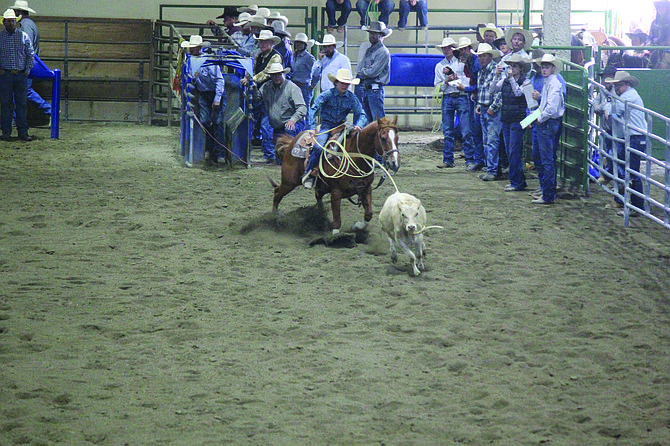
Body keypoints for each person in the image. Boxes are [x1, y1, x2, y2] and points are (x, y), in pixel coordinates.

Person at [303, 68, 367, 189]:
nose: (344, 86)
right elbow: (313, 108)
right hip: (327, 125)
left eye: (347, 83)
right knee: (318, 146)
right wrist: (311, 127)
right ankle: (309, 173)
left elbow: (362, 113)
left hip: (342, 126)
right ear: (336, 82)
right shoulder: (327, 95)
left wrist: (359, 125)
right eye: (342, 83)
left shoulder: (351, 98)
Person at [605, 70, 647, 215]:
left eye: (619, 85)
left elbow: (613, 109)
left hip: (635, 137)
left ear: (626, 84)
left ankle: (637, 207)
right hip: (635, 137)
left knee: (633, 173)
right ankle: (634, 204)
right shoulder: (629, 95)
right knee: (630, 172)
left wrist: (609, 108)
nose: (616, 88)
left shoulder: (627, 97)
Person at [181, 35, 226, 163]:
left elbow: (219, 81)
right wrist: (194, 79)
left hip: (215, 93)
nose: (191, 50)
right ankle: (209, 150)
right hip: (204, 93)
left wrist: (217, 98)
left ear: (199, 48)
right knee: (205, 121)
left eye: (193, 48)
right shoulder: (190, 61)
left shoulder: (209, 62)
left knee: (217, 122)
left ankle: (219, 153)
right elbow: (193, 81)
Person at [490, 53, 531, 192]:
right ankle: (517, 180)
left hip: (517, 120)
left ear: (520, 68)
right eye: (510, 66)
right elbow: (492, 90)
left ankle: (517, 181)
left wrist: (511, 79)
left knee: (514, 151)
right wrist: (496, 76)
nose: (512, 69)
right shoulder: (506, 80)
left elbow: (518, 93)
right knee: (510, 151)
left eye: (514, 66)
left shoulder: (525, 81)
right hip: (507, 119)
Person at [241, 29, 283, 163]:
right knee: (260, 122)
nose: (262, 44)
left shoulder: (275, 57)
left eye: (265, 42)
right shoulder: (259, 56)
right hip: (260, 93)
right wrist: (248, 77)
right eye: (261, 42)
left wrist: (251, 80)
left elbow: (266, 73)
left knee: (267, 124)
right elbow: (252, 70)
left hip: (272, 94)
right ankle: (268, 153)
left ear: (271, 43)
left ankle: (270, 154)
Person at [434, 37, 472, 169]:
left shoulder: (462, 63)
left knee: (465, 130)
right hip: (449, 97)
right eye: (444, 48)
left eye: (448, 48)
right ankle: (451, 159)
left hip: (460, 96)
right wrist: (446, 81)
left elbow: (467, 81)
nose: (446, 50)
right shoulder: (440, 66)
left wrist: (450, 81)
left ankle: (467, 159)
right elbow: (438, 86)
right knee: (448, 131)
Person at [533, 54, 565, 204]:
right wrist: (532, 119)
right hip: (550, 122)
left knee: (546, 160)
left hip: (548, 123)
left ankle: (548, 195)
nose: (544, 69)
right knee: (548, 159)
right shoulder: (551, 82)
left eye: (547, 67)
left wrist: (538, 119)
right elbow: (545, 106)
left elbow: (550, 108)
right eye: (543, 67)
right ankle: (548, 192)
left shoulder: (553, 84)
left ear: (552, 68)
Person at [12, 0, 49, 120]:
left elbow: (26, 45)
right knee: (21, 90)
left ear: (19, 12)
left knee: (23, 89)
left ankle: (49, 110)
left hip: (26, 63)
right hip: (29, 62)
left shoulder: (26, 25)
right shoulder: (29, 24)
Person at [0, 8, 34, 141]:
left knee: (20, 103)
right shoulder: (2, 37)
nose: (11, 23)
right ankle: (8, 131)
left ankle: (21, 131)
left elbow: (30, 55)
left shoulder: (23, 36)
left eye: (13, 21)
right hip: (7, 74)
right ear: (4, 22)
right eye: (9, 21)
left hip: (19, 74)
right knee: (7, 103)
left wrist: (26, 71)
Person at [256, 63, 307, 146]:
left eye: (279, 74)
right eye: (274, 75)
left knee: (288, 145)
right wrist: (253, 88)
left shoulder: (292, 88)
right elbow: (257, 98)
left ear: (283, 74)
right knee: (278, 148)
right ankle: (273, 157)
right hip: (277, 125)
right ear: (271, 76)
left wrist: (293, 120)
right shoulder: (266, 87)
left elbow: (302, 107)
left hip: (292, 124)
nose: (277, 77)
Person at [473, 43, 503, 182]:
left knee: (491, 140)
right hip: (485, 107)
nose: (481, 59)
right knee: (487, 140)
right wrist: (479, 104)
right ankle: (491, 167)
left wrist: (494, 106)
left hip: (492, 109)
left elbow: (499, 92)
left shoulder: (495, 71)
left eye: (484, 56)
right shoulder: (482, 71)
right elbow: (482, 90)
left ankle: (492, 169)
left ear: (490, 56)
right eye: (480, 56)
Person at [456, 36, 484, 171]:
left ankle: (479, 160)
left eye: (465, 49)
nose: (463, 52)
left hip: (479, 98)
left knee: (477, 130)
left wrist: (466, 89)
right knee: (475, 130)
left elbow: (479, 85)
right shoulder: (470, 63)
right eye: (461, 49)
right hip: (475, 97)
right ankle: (478, 159)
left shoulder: (475, 63)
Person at [355, 21, 391, 122]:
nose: (371, 36)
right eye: (371, 33)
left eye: (375, 34)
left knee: (377, 120)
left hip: (375, 89)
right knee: (370, 120)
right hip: (369, 88)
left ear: (380, 35)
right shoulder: (371, 49)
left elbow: (372, 72)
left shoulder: (383, 52)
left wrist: (362, 73)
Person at [592, 65, 616, 185]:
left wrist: (599, 107)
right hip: (608, 129)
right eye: (604, 78)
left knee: (613, 154)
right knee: (609, 153)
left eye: (608, 78)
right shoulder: (604, 90)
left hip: (616, 130)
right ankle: (609, 176)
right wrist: (600, 107)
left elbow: (600, 105)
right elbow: (596, 103)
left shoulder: (614, 92)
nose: (605, 81)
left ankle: (607, 175)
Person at [290, 33, 318, 106]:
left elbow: (317, 71)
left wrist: (312, 85)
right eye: (297, 43)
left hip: (304, 87)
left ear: (305, 45)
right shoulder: (294, 56)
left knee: (305, 110)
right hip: (295, 86)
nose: (298, 45)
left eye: (301, 43)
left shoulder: (309, 58)